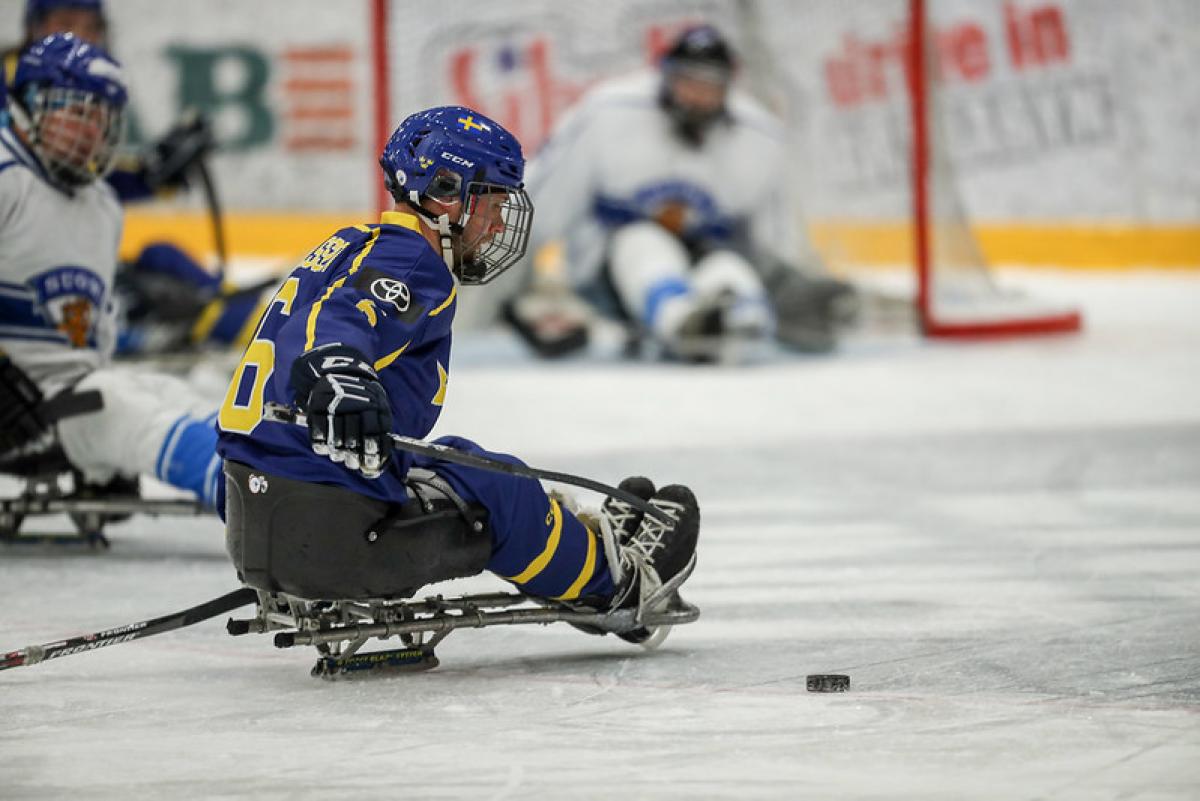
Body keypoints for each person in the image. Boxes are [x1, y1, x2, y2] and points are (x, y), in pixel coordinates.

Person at [216, 106, 699, 639]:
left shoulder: (351, 247)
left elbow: (317, 326)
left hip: (252, 519)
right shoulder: (409, 260)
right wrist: (338, 367)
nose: (496, 225)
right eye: (490, 204)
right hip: (336, 532)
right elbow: (338, 323)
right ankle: (621, 584)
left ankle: (581, 539)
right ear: (446, 193)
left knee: (451, 458)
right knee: (495, 484)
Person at [509, 24, 857, 361]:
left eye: (710, 85)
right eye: (688, 80)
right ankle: (681, 322)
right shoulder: (608, 114)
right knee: (642, 241)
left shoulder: (758, 136)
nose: (697, 94)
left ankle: (742, 314)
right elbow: (542, 207)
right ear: (664, 75)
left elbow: (773, 238)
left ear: (728, 89)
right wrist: (513, 290)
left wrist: (792, 292)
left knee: (726, 262)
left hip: (708, 256)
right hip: (609, 278)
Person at [0, 33, 221, 507]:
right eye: (75, 112)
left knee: (163, 390)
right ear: (27, 105)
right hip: (15, 414)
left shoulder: (101, 203)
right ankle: (257, 497)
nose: (89, 132)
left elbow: (91, 339)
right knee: (114, 405)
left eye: (100, 118)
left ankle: (285, 470)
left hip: (64, 404)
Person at [4, 0, 225, 357]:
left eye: (91, 27)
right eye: (65, 22)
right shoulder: (19, 93)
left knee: (165, 258)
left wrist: (151, 174)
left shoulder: (87, 86)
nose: (80, 36)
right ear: (32, 28)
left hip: (58, 255)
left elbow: (72, 180)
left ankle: (250, 316)